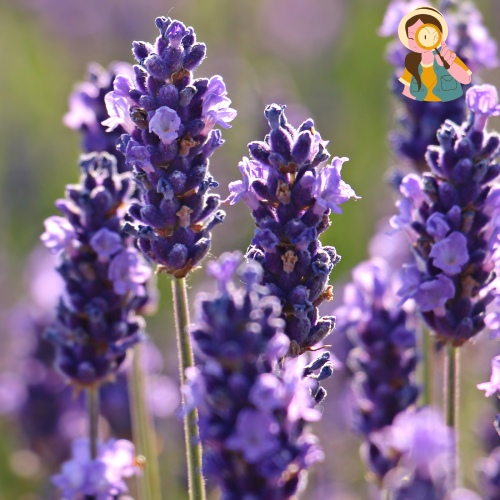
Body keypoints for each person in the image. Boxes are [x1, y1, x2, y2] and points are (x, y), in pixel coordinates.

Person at [397, 6, 471, 102]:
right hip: (424, 110)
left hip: (450, 107)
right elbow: (407, 92)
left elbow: (465, 78)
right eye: (411, 38)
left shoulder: (447, 56)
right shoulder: (412, 62)